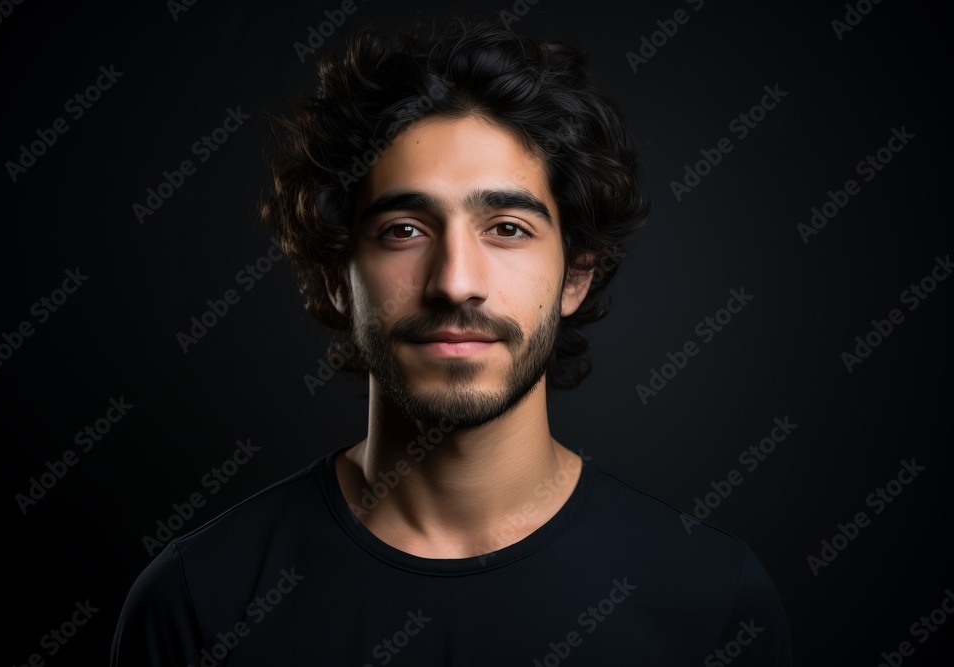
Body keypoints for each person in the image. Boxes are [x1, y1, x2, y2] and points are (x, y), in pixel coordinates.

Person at [111, 15, 792, 666]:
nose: (455, 282)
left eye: (507, 228)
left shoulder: (712, 600)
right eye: (405, 228)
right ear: (336, 275)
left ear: (576, 275)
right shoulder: (198, 601)